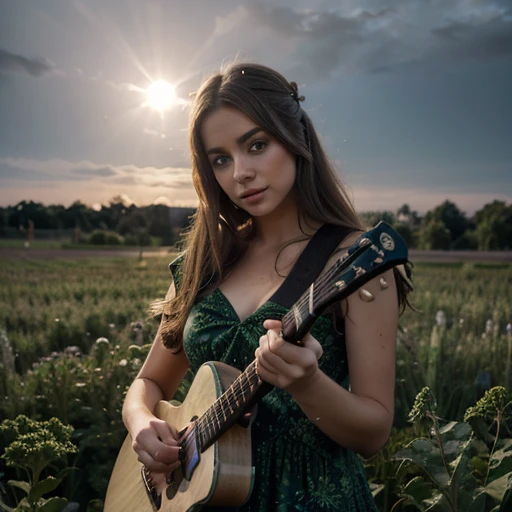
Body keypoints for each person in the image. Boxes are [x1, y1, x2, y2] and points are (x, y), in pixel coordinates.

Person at [122, 62, 411, 511]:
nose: (240, 172)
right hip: (201, 497)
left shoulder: (355, 263)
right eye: (221, 159)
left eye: (256, 145)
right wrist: (142, 422)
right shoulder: (206, 263)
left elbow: (373, 434)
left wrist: (308, 382)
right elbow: (150, 381)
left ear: (296, 139)